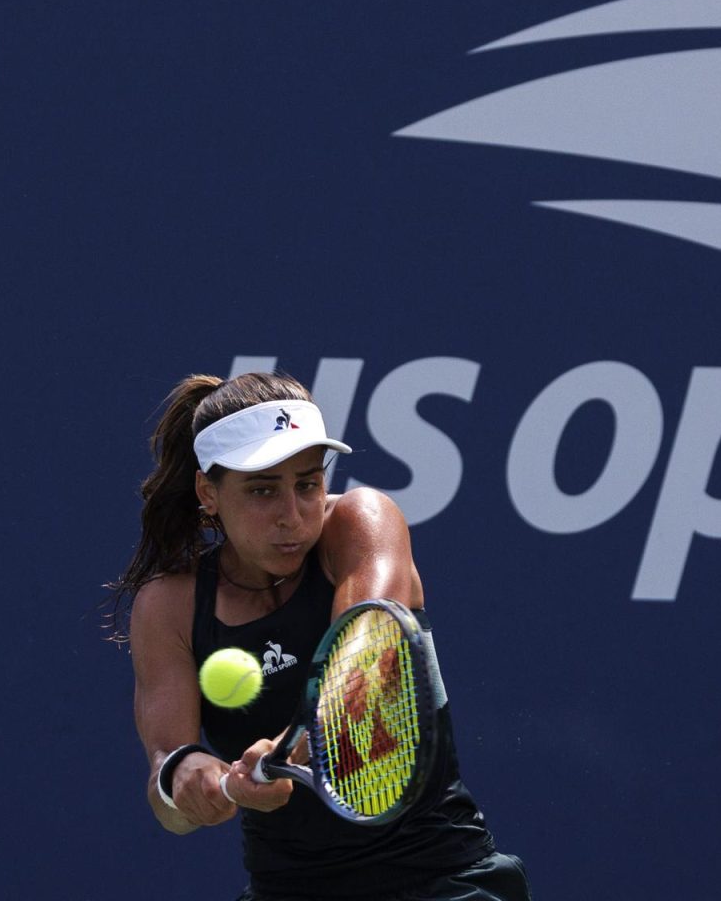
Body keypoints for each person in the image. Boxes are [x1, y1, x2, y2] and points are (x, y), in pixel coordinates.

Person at [109, 371, 533, 901]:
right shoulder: (168, 604)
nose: (293, 516)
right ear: (208, 493)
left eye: (308, 484)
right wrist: (190, 780)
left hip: (441, 880)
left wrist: (282, 753)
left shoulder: (362, 522)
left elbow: (360, 664)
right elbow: (166, 784)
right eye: (263, 490)